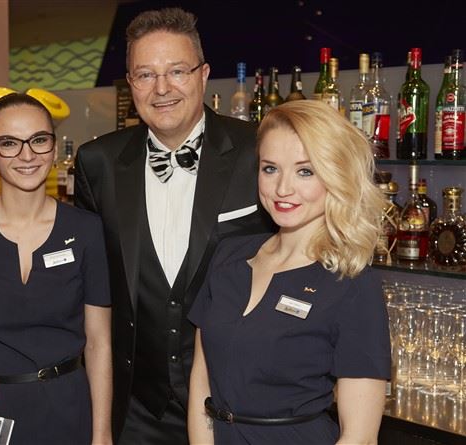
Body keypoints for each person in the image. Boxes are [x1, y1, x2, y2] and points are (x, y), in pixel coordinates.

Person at [74, 7, 272, 444]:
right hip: (136, 412)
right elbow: (93, 290)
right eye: (145, 75)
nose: (161, 88)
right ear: (130, 84)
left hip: (236, 406)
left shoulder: (258, 150)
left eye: (177, 71)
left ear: (204, 75)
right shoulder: (98, 162)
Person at [188, 100, 391, 444]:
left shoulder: (352, 281)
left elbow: (360, 437)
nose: (283, 189)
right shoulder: (229, 256)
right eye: (270, 169)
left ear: (336, 175)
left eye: (305, 171)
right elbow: (201, 381)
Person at [0, 93, 113, 445]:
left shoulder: (86, 230)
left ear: (54, 148)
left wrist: (102, 433)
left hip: (68, 408)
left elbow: (99, 342)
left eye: (38, 140)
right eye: (9, 143)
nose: (27, 155)